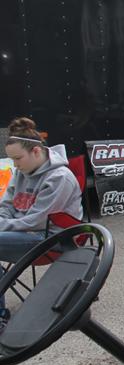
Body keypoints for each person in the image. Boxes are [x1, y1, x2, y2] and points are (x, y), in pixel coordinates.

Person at [0, 118, 84, 326]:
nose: (15, 165)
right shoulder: (21, 171)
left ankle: (1, 315)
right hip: (22, 233)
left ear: (36, 151)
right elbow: (6, 205)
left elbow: (37, 221)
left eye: (18, 158)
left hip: (53, 238)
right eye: (12, 160)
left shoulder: (59, 177)